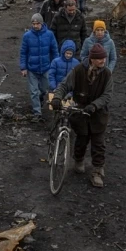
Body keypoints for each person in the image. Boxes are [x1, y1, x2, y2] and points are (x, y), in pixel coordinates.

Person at [51, 43, 113, 188]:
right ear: (92, 59)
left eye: (104, 58)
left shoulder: (107, 74)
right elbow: (64, 85)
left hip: (98, 114)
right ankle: (78, 160)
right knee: (81, 140)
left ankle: (97, 172)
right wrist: (56, 98)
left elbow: (107, 95)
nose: (102, 61)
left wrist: (95, 105)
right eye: (99, 58)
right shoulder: (78, 71)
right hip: (80, 112)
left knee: (98, 144)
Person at [19, 13, 59, 122]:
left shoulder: (49, 35)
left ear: (42, 23)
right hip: (32, 68)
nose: (35, 26)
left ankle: (41, 97)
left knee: (44, 89)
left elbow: (54, 51)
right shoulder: (27, 36)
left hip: (46, 67)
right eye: (33, 23)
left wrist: (56, 65)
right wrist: (23, 67)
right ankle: (37, 113)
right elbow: (23, 52)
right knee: (34, 91)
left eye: (37, 23)